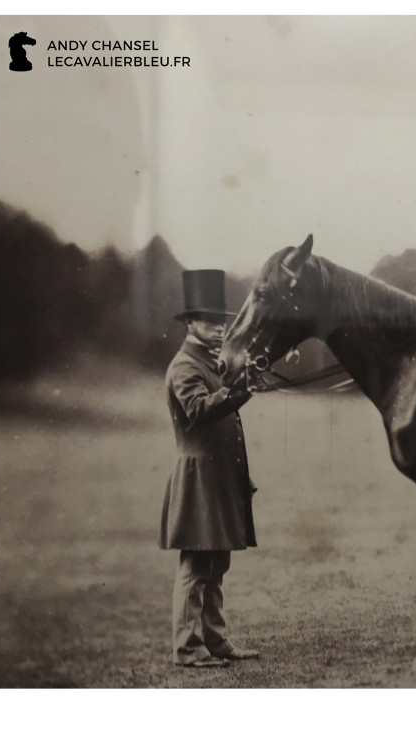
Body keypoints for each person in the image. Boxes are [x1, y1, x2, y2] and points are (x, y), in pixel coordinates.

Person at [159, 269, 260, 668]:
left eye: (222, 322)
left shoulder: (211, 363)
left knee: (217, 563)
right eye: (208, 322)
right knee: (197, 565)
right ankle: (187, 648)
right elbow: (199, 410)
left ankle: (216, 640)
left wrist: (242, 382)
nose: (218, 329)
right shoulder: (184, 366)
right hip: (199, 478)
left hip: (218, 477)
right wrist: (238, 391)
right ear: (189, 324)